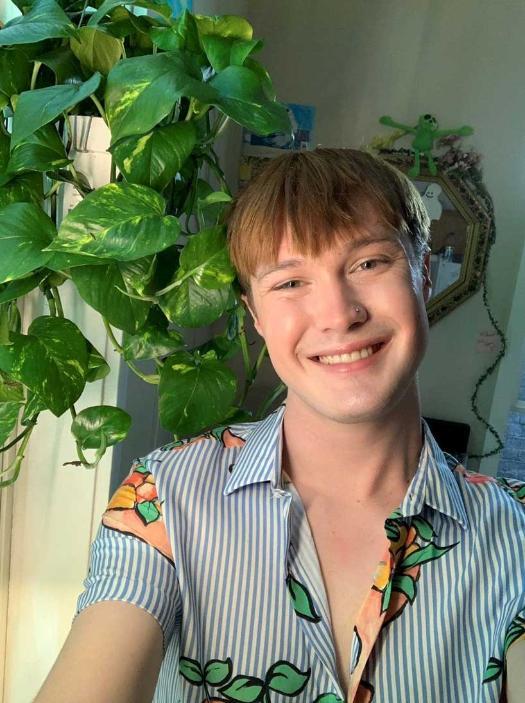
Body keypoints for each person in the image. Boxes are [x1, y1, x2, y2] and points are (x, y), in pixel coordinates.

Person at [35, 149, 525, 703]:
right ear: (256, 317)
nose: (338, 314)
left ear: (424, 273)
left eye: (369, 264)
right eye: (290, 283)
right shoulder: (166, 498)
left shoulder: (515, 535)